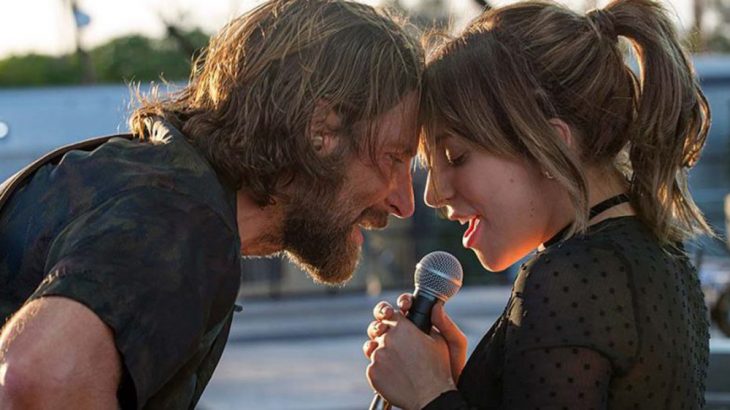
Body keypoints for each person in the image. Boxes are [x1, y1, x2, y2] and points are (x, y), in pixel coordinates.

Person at [0, 0, 424, 408]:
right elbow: (38, 379)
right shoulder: (181, 220)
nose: (405, 202)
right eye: (392, 158)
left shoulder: (151, 183)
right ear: (321, 132)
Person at [363, 0, 712, 408]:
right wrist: (457, 383)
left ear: (548, 147)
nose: (433, 194)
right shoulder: (659, 255)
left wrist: (429, 396)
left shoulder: (572, 277)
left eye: (456, 157)